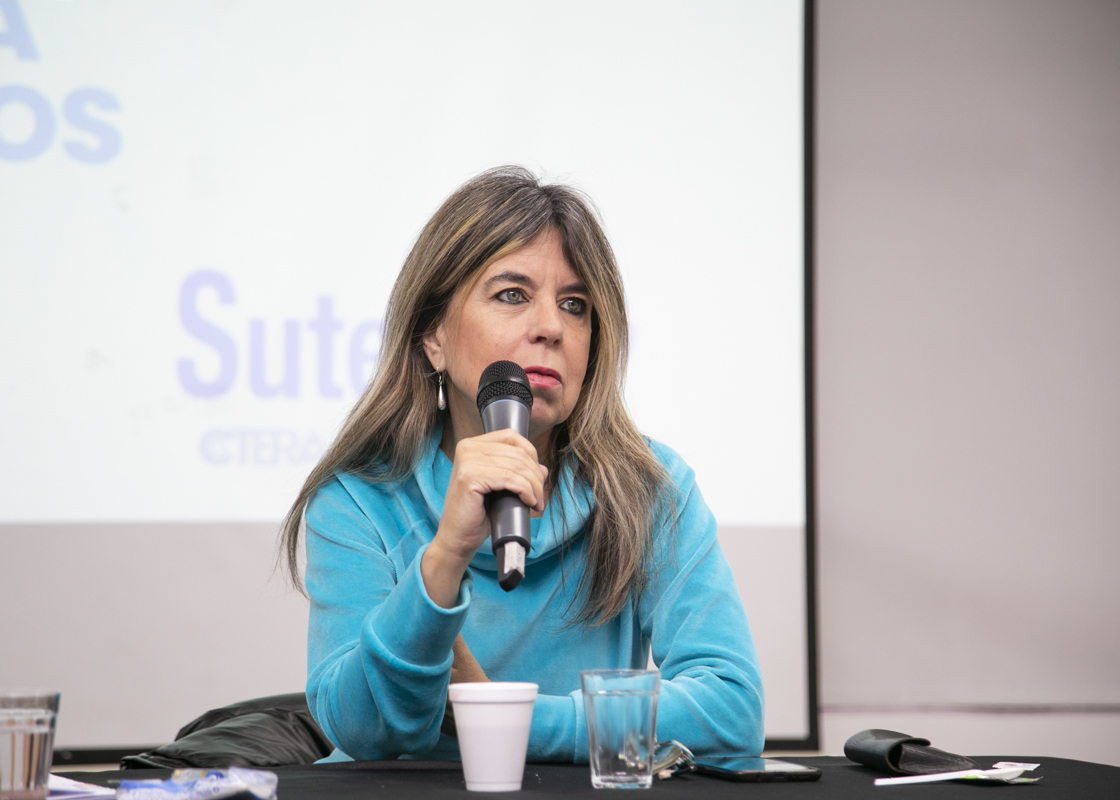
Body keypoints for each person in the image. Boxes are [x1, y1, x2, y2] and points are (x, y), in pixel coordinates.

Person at [279, 166, 763, 762]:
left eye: (575, 305)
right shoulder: (358, 498)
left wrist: (502, 717)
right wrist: (445, 559)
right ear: (433, 337)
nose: (552, 328)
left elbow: (732, 711)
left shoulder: (651, 487)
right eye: (512, 295)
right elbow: (362, 730)